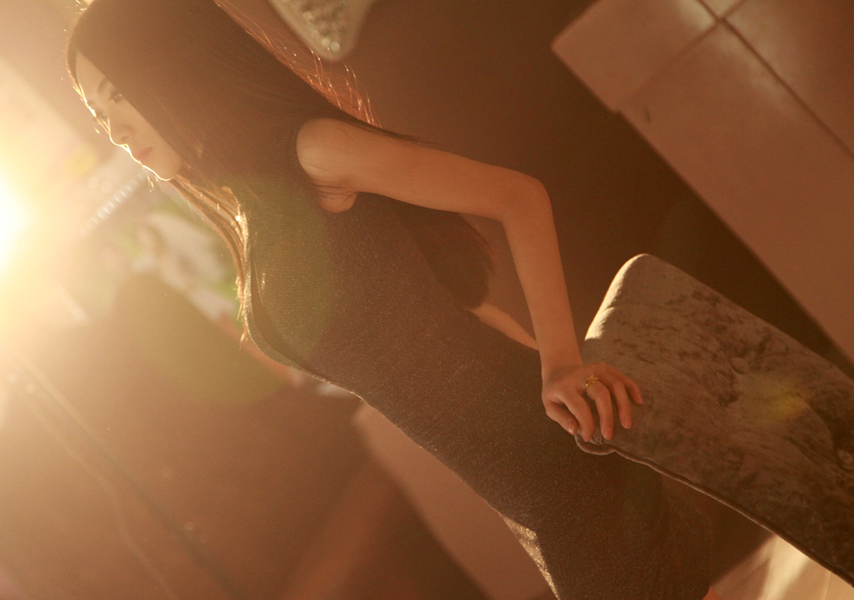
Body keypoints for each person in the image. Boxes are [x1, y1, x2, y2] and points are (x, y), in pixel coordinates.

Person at [67, 1, 722, 598]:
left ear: (173, 65)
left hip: (544, 455)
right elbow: (451, 320)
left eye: (118, 94)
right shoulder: (249, 213)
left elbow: (518, 198)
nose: (116, 130)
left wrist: (561, 365)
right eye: (99, 116)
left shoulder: (310, 151)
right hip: (519, 482)